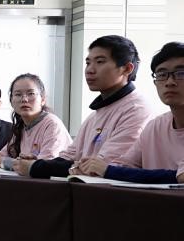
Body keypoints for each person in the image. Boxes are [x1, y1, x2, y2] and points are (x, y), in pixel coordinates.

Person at [25, 35, 156, 178]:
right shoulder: (95, 114)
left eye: (100, 62)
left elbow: (105, 166)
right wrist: (39, 163)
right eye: (88, 63)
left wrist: (37, 168)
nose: (89, 70)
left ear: (127, 68)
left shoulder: (136, 109)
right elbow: (70, 156)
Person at [74, 41, 184, 183]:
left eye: (181, 73)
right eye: (162, 74)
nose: (170, 82)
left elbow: (181, 177)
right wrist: (89, 168)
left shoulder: (137, 109)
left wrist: (107, 170)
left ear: (127, 69)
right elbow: (123, 165)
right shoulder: (154, 126)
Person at [0, 73, 72, 171]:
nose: (24, 99)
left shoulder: (52, 124)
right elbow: (2, 156)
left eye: (31, 93)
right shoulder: (21, 126)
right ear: (11, 101)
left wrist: (2, 161)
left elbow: (44, 167)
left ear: (43, 99)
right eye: (18, 94)